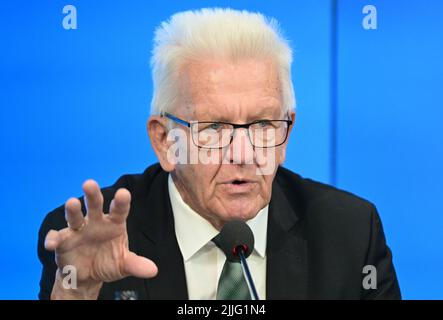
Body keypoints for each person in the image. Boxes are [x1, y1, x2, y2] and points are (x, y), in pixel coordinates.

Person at [38, 8, 401, 300]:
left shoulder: (349, 234)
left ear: (287, 134)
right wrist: (78, 292)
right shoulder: (89, 240)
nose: (244, 154)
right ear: (165, 141)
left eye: (262, 124)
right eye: (213, 129)